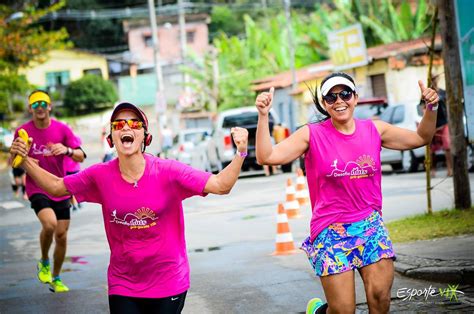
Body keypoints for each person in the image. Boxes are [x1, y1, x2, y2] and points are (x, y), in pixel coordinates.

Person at [10, 101, 248, 313]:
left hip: (168, 281)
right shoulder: (100, 176)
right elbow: (56, 187)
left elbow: (220, 184)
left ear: (146, 136)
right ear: (111, 138)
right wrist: (26, 162)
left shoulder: (168, 172)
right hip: (123, 282)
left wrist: (241, 152)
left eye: (134, 124)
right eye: (119, 124)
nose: (126, 128)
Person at [255, 72, 438, 313]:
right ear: (324, 103)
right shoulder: (311, 134)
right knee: (343, 310)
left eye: (345, 94)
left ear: (355, 97)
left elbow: (421, 137)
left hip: (370, 225)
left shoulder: (374, 129)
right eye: (331, 97)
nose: (339, 100)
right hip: (331, 230)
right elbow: (266, 157)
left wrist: (432, 107)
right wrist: (263, 116)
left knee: (380, 297)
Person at [11, 90, 86, 293]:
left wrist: (67, 150)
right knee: (50, 224)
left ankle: (56, 277)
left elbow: (81, 156)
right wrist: (21, 158)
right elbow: (14, 161)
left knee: (61, 235)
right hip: (37, 188)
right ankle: (44, 260)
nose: (40, 108)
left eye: (43, 103)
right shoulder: (22, 132)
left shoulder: (62, 129)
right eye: (35, 105)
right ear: (30, 109)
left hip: (60, 186)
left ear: (50, 106)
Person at [430, 74, 453, 177]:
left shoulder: (443, 92)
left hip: (443, 123)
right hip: (432, 125)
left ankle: (450, 169)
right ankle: (433, 169)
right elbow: (423, 109)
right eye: (432, 79)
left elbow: (448, 107)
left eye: (435, 78)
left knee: (447, 146)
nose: (434, 80)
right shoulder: (427, 93)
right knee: (431, 150)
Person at [63, 131, 82, 211]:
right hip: (71, 168)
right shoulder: (74, 138)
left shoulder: (64, 141)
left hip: (71, 168)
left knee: (71, 188)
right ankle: (76, 203)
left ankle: (75, 203)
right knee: (73, 187)